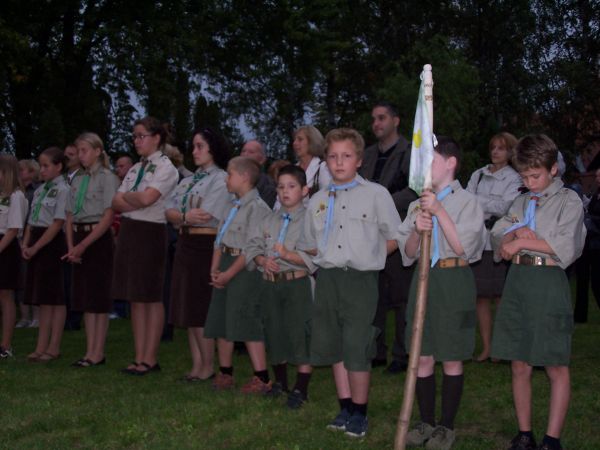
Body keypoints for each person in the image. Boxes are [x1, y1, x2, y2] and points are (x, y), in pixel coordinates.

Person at [299, 128, 401, 438]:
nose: (339, 162)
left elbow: (395, 236)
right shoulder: (317, 200)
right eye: (332, 156)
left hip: (360, 280)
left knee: (357, 344)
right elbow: (309, 243)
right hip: (328, 278)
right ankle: (344, 407)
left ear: (359, 160)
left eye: (346, 156)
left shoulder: (376, 194)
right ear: (326, 160)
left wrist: (372, 256)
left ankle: (360, 412)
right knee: (334, 344)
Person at [490, 134, 586, 450]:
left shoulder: (568, 201)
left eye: (536, 176)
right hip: (519, 281)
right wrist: (513, 234)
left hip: (548, 282)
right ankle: (525, 433)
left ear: (553, 170)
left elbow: (564, 246)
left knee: (555, 363)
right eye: (524, 177)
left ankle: (552, 438)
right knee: (520, 362)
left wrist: (520, 241)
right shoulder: (520, 200)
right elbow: (496, 234)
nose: (530, 182)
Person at [399, 137, 485, 449]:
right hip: (422, 279)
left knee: (450, 355)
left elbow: (466, 247)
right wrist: (416, 229)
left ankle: (446, 426)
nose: (425, 168)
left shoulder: (469, 202)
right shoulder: (415, 204)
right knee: (422, 355)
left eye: (430, 161)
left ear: (450, 163)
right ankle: (425, 421)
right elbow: (407, 253)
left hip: (453, 277)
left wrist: (439, 212)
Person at [112, 116, 178, 375]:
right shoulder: (134, 168)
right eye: (135, 136)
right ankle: (139, 356)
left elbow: (149, 198)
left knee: (150, 295)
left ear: (156, 138)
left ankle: (151, 358)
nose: (136, 141)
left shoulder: (165, 168)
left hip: (151, 232)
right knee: (135, 297)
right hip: (130, 230)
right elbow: (116, 202)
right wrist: (133, 198)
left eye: (141, 136)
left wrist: (130, 197)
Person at [165, 126, 231, 381]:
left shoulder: (220, 179)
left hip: (205, 246)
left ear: (213, 148)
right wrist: (183, 217)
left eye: (199, 146)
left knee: (201, 308)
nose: (194, 151)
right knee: (188, 308)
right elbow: (168, 211)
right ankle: (197, 365)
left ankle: (208, 366)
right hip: (185, 244)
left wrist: (180, 217)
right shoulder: (189, 179)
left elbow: (207, 214)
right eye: (193, 146)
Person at [246, 164, 314, 408]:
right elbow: (252, 245)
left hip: (296, 283)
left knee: (299, 334)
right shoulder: (268, 219)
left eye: (292, 186)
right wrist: (262, 260)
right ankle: (281, 382)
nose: (285, 192)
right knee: (274, 331)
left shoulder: (309, 220)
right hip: (270, 284)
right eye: (281, 187)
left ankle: (301, 387)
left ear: (305, 190)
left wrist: (286, 254)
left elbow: (313, 256)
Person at [204, 156, 272, 392]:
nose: (226, 179)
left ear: (244, 177)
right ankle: (225, 372)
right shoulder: (231, 205)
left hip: (244, 268)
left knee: (246, 318)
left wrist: (229, 273)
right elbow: (219, 239)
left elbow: (252, 247)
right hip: (225, 262)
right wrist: (215, 268)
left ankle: (262, 376)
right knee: (222, 318)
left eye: (230, 174)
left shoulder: (258, 208)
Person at [359, 101, 417, 373]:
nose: (376, 124)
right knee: (374, 294)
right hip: (370, 231)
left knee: (402, 294)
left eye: (382, 118)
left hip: (399, 230)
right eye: (373, 119)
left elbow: (414, 190)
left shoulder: (410, 152)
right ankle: (377, 349)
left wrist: (381, 202)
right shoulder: (367, 155)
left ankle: (402, 354)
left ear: (395, 120)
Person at [63, 132, 120, 367]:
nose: (81, 155)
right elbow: (68, 215)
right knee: (86, 297)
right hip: (77, 235)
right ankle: (89, 351)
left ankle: (98, 352)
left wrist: (83, 246)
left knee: (98, 296)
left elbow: (108, 216)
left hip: (97, 238)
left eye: (85, 150)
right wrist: (71, 247)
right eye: (78, 151)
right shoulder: (76, 179)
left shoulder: (108, 178)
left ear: (98, 151)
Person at [466, 132, 522, 362]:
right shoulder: (478, 175)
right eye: (493, 147)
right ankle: (487, 346)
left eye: (501, 148)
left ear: (510, 152)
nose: (496, 151)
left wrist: (479, 202)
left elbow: (506, 206)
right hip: (479, 241)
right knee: (480, 297)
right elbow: (465, 203)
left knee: (501, 297)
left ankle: (502, 347)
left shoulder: (515, 178)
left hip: (500, 240)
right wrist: (483, 205)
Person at [22, 147, 71, 362]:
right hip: (36, 241)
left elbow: (57, 222)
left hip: (51, 244)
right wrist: (25, 243)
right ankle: (40, 346)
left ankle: (54, 346)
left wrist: (36, 247)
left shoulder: (63, 189)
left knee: (55, 297)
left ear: (59, 166)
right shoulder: (41, 190)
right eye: (40, 166)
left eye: (46, 166)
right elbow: (32, 222)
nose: (41, 170)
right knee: (42, 298)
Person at [0, 155, 28, 358]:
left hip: (6, 247)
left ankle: (6, 345)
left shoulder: (16, 195)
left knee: (6, 296)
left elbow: (14, 227)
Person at [16, 159, 41, 328]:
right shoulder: (15, 192)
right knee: (19, 280)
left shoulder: (38, 191)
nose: (19, 173)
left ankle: (37, 317)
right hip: (15, 237)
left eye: (22, 170)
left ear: (32, 172)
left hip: (32, 238)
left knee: (33, 278)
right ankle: (24, 316)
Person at [574, 167, 600, 323]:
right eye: (596, 176)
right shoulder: (596, 194)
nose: (597, 179)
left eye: (599, 176)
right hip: (588, 242)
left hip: (597, 244)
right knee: (582, 278)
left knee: (597, 281)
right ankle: (580, 315)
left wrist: (591, 220)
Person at [292, 125, 331, 197]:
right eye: (294, 140)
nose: (295, 143)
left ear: (312, 142)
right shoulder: (291, 170)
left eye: (300, 139)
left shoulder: (323, 167)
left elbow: (328, 197)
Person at [240, 140, 277, 208]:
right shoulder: (230, 180)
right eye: (243, 151)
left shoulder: (268, 187)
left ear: (262, 160)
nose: (245, 154)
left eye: (251, 152)